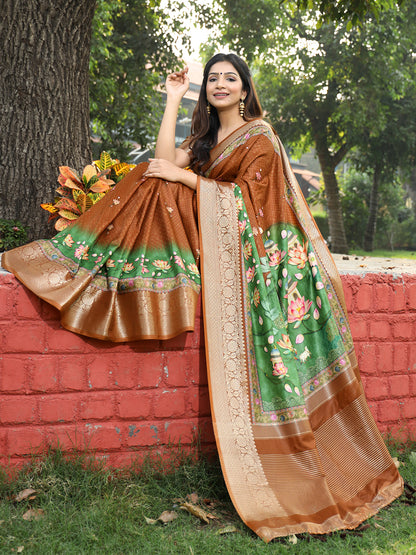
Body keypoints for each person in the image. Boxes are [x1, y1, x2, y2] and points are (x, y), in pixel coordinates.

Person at [2, 53, 403, 541]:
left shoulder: (260, 136)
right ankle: (102, 264)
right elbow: (164, 161)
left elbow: (258, 205)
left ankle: (90, 261)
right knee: (153, 177)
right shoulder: (207, 141)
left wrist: (188, 180)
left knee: (164, 182)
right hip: (209, 234)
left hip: (247, 245)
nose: (220, 85)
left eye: (229, 78)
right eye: (212, 79)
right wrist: (173, 99)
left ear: (244, 87)